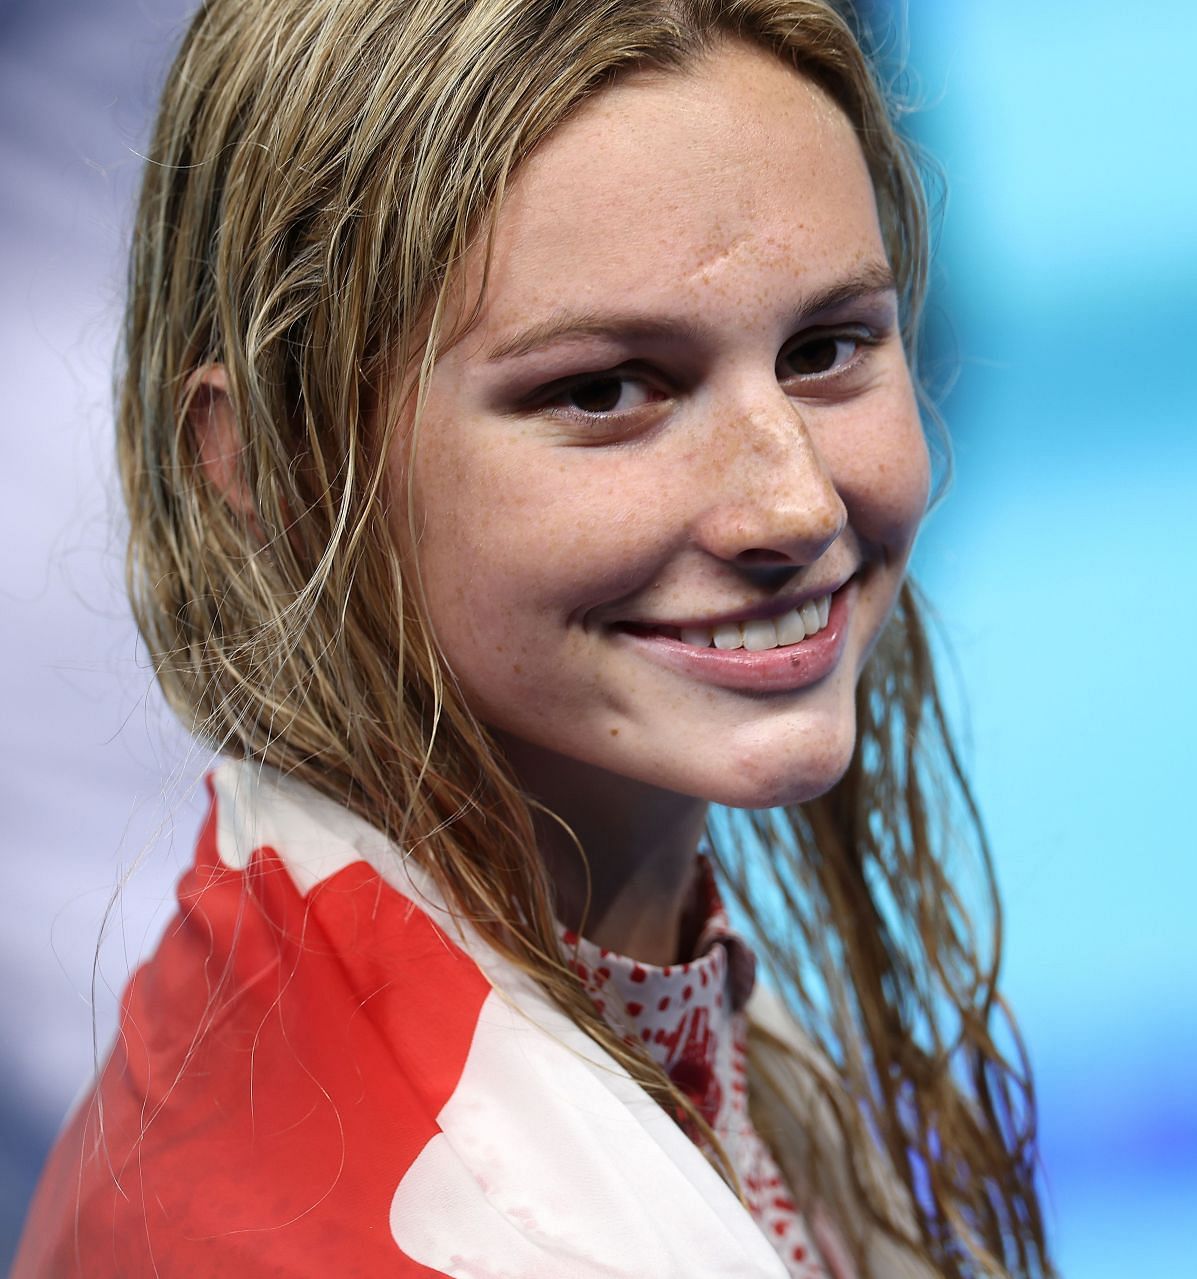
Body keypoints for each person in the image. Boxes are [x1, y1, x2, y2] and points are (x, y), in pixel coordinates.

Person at [11, 1, 1050, 1275]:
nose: (796, 503)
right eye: (607, 390)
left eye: (827, 349)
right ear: (272, 460)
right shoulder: (415, 1224)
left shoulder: (638, 1004)